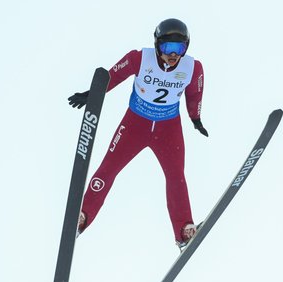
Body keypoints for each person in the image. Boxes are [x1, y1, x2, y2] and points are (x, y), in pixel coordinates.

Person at [67, 18, 207, 250]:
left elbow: (195, 94)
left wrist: (196, 118)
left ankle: (184, 231)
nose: (173, 55)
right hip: (135, 124)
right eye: (168, 48)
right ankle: (82, 216)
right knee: (108, 168)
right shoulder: (139, 59)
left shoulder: (193, 68)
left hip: (168, 128)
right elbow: (112, 76)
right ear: (157, 45)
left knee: (176, 177)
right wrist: (92, 94)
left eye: (179, 48)